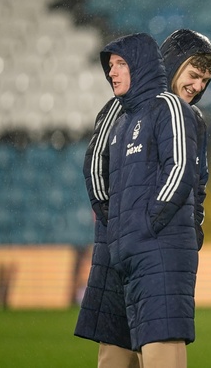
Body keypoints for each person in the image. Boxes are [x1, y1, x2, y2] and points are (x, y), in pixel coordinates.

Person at [100, 33, 199, 368]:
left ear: (140, 66)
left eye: (120, 64)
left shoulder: (169, 106)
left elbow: (181, 168)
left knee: (161, 353)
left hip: (159, 253)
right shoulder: (122, 122)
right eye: (110, 66)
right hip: (133, 256)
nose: (112, 72)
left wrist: (145, 225)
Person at [74, 96, 138, 368]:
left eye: (204, 79)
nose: (199, 86)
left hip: (144, 247)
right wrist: (114, 219)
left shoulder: (182, 114)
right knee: (119, 344)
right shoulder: (121, 106)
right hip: (122, 247)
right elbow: (94, 164)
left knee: (141, 343)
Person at [160, 28, 211, 251]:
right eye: (194, 76)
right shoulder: (132, 111)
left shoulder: (195, 121)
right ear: (171, 66)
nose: (198, 87)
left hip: (177, 245)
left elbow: (198, 184)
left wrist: (192, 228)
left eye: (205, 80)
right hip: (136, 242)